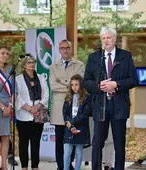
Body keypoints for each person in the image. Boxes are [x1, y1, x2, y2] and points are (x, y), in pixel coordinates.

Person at [84, 26, 138, 170]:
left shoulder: (125, 56)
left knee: (119, 143)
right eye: (103, 38)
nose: (106, 40)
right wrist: (99, 85)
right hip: (100, 106)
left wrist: (116, 84)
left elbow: (133, 80)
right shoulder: (94, 57)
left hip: (119, 105)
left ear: (114, 39)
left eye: (108, 37)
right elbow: (86, 82)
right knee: (97, 143)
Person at [49, 39, 85, 170]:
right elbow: (53, 85)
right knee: (59, 140)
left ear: (71, 49)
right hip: (59, 108)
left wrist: (62, 82)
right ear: (59, 50)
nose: (65, 50)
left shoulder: (79, 65)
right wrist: (70, 85)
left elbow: (79, 83)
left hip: (74, 107)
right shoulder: (53, 67)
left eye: (67, 48)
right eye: (62, 48)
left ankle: (68, 165)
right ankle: (60, 166)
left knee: (72, 138)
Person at [15, 56, 49, 170]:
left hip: (38, 115)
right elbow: (17, 96)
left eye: (33, 62)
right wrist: (29, 108)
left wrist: (37, 107)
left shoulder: (41, 77)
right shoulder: (18, 79)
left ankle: (35, 166)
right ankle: (24, 166)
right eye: (29, 62)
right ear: (24, 65)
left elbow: (46, 94)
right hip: (23, 116)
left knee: (36, 142)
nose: (32, 64)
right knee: (23, 143)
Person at [63, 74, 91, 170]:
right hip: (69, 127)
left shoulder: (87, 97)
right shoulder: (68, 97)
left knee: (79, 151)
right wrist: (70, 125)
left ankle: (77, 168)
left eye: (76, 84)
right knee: (67, 151)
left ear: (81, 85)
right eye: (72, 85)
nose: (74, 87)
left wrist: (73, 123)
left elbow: (85, 114)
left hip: (81, 127)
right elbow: (65, 113)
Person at [0, 45, 13, 170]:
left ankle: (4, 165)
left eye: (7, 54)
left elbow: (14, 91)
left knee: (6, 136)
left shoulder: (10, 71)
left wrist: (9, 106)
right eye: (2, 53)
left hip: (8, 107)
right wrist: (2, 107)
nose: (5, 56)